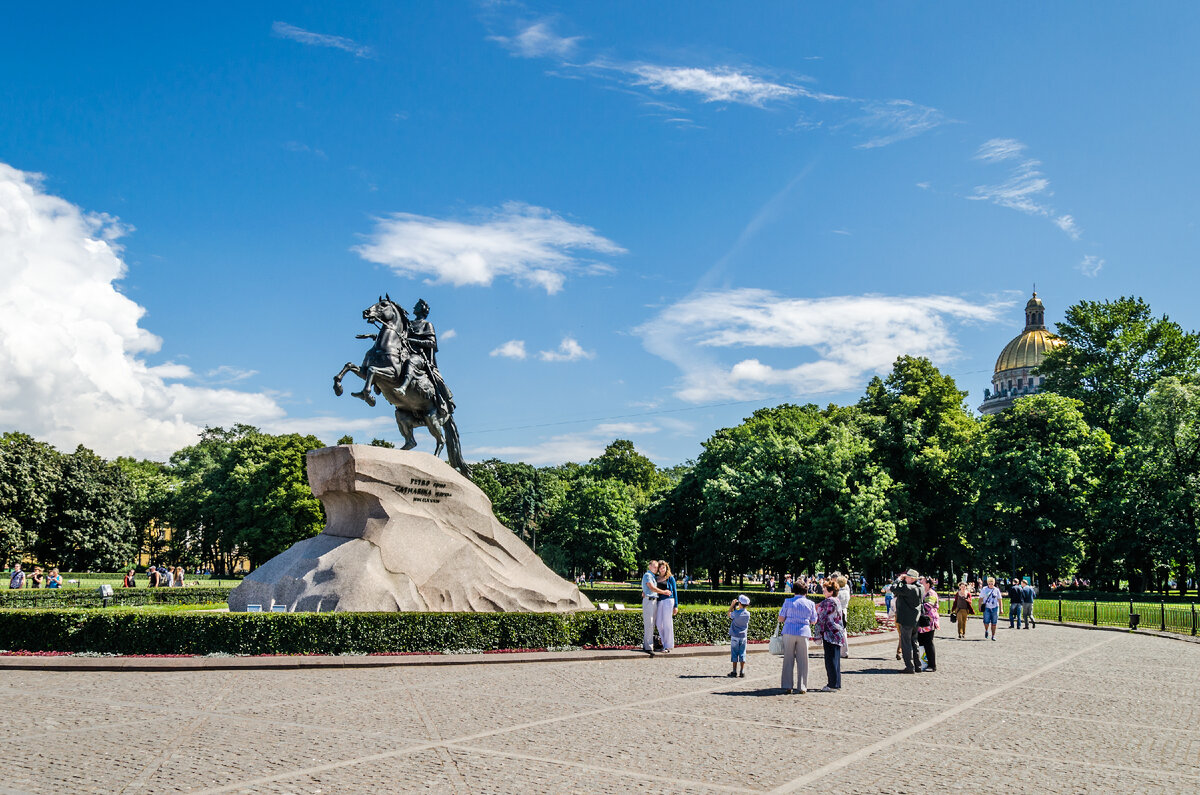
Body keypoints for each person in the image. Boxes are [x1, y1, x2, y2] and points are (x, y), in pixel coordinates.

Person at [777, 581, 817, 694]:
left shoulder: (788, 602)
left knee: (788, 659)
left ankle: (788, 685)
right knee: (803, 660)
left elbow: (781, 618)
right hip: (804, 632)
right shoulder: (810, 603)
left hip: (789, 631)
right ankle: (802, 686)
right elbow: (814, 621)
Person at [815, 580, 846, 691]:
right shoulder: (836, 600)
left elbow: (821, 617)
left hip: (829, 633)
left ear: (831, 591)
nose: (823, 591)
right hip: (837, 633)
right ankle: (836, 683)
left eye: (825, 589)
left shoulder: (828, 602)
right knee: (836, 659)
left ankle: (832, 684)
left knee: (830, 660)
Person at [893, 569, 923, 673]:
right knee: (915, 642)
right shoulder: (921, 587)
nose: (905, 578)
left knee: (906, 643)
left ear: (911, 578)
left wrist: (898, 579)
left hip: (906, 619)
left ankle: (909, 667)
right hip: (915, 618)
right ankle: (918, 665)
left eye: (906, 577)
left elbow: (893, 588)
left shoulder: (908, 588)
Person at [640, 561, 669, 656]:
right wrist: (664, 592)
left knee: (651, 624)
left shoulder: (652, 576)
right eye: (654, 566)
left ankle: (646, 645)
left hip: (653, 601)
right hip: (649, 601)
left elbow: (647, 588)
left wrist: (643, 591)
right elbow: (652, 588)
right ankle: (649, 647)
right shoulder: (648, 575)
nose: (656, 569)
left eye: (657, 567)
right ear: (649, 566)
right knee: (649, 624)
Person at [655, 562, 678, 653]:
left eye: (663, 568)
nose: (662, 569)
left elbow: (675, 591)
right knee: (658, 623)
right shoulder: (656, 578)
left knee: (667, 623)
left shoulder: (670, 578)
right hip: (659, 601)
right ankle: (664, 643)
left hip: (668, 601)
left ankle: (668, 646)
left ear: (666, 568)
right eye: (660, 568)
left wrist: (676, 605)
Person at [917, 578, 939, 672]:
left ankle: (932, 665)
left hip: (929, 621)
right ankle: (923, 662)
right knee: (921, 642)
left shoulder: (931, 593)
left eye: (923, 581)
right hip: (922, 621)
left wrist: (916, 606)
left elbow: (928, 605)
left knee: (928, 642)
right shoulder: (922, 592)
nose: (921, 582)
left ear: (928, 584)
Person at [727, 594, 751, 678]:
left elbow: (729, 614)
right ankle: (742, 671)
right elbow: (739, 613)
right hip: (743, 636)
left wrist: (732, 605)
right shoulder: (748, 614)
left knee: (734, 653)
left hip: (735, 635)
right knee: (742, 653)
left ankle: (734, 671)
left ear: (740, 603)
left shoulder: (736, 613)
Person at [835, 574, 851, 658]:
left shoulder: (838, 593)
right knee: (844, 631)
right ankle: (845, 651)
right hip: (844, 610)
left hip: (838, 612)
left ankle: (838, 650)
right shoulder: (846, 592)